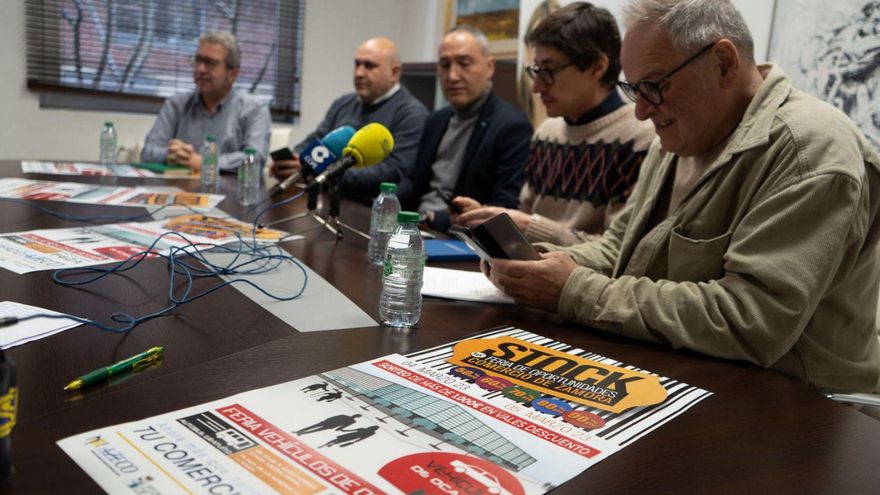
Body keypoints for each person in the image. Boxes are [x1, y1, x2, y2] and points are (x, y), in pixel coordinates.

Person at [487, 0, 880, 394]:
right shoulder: (678, 137)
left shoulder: (809, 152)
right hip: (691, 372)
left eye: (654, 86)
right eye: (634, 89)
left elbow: (750, 321)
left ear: (723, 63)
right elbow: (621, 251)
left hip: (797, 405)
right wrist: (539, 267)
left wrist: (574, 290)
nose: (640, 112)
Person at [454, 3, 655, 245]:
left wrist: (531, 227)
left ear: (597, 67)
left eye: (548, 70)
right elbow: (523, 227)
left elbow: (619, 252)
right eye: (536, 70)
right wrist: (490, 219)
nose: (537, 86)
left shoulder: (639, 138)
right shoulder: (547, 132)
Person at [401, 26, 532, 232]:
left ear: (489, 67)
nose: (453, 76)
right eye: (445, 65)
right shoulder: (435, 120)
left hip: (461, 240)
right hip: (416, 230)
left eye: (464, 63)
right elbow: (412, 183)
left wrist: (432, 218)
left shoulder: (512, 126)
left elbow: (506, 206)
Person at [269, 38, 428, 203]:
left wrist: (321, 171)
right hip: (325, 199)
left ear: (394, 73)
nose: (359, 73)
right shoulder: (344, 103)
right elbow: (317, 139)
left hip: (366, 207)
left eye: (369, 66)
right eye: (357, 64)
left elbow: (391, 172)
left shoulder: (412, 114)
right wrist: (296, 161)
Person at [141, 31, 271, 172]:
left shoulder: (254, 109)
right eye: (198, 60)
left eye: (210, 63)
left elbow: (255, 159)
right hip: (179, 189)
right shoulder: (176, 104)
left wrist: (207, 163)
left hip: (229, 191)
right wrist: (171, 154)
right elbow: (148, 152)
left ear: (232, 73)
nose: (200, 69)